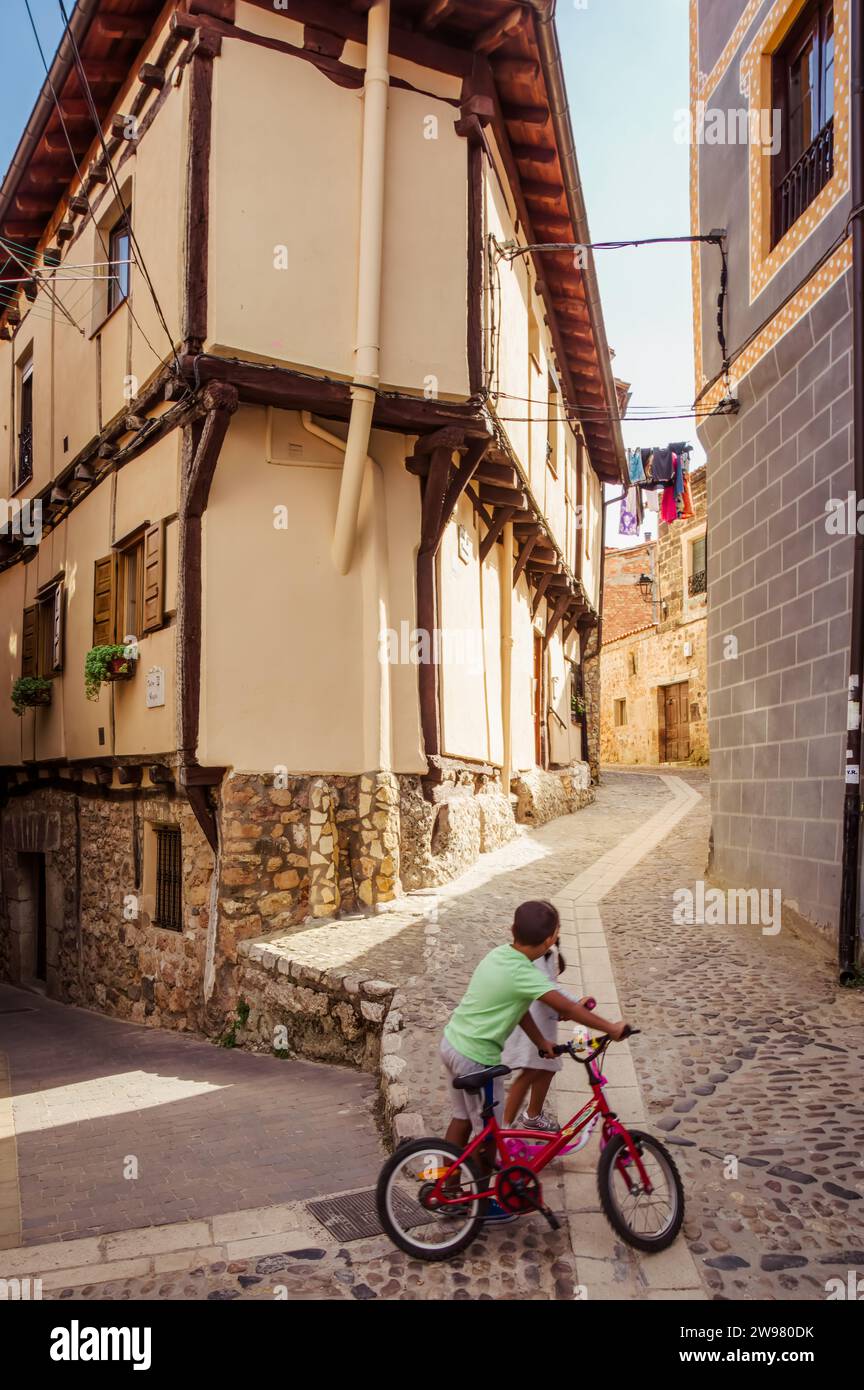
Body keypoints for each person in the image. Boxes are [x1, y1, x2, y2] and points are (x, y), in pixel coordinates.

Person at [440, 899, 627, 1166]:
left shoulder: (500, 955)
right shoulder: (525, 972)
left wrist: (541, 1041)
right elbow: (568, 1008)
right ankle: (483, 1204)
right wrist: (612, 1028)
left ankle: (448, 1189)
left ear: (512, 929)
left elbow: (519, 1007)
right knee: (490, 1137)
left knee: (461, 1118)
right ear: (551, 938)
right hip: (476, 1058)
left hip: (452, 1044)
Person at [501, 927, 577, 1132]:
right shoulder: (534, 959)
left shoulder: (548, 954)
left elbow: (551, 989)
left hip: (543, 1024)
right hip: (532, 1028)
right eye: (556, 927)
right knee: (530, 1073)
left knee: (546, 1069)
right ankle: (503, 1131)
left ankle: (532, 1115)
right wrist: (575, 1004)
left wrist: (562, 1008)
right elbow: (547, 990)